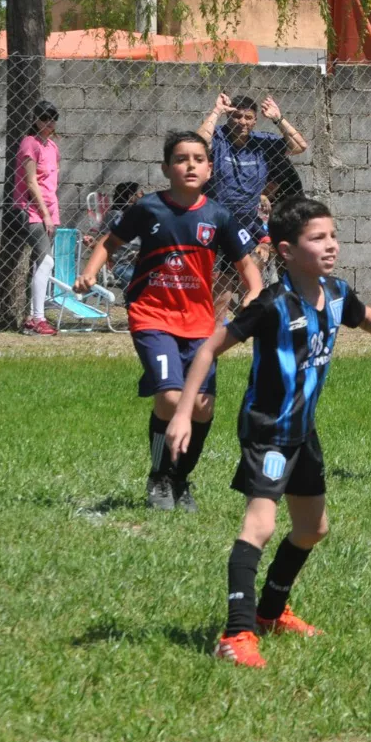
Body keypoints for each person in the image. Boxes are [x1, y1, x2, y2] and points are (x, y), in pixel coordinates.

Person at [166, 196, 371, 669]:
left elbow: (360, 313)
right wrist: (180, 414)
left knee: (313, 529)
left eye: (332, 235)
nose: (331, 244)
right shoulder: (271, 305)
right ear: (286, 251)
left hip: (303, 431)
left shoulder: (336, 292)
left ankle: (270, 613)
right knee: (261, 525)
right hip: (267, 431)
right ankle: (235, 634)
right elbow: (210, 348)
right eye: (318, 238)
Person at [77, 131, 263, 511]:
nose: (190, 165)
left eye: (198, 158)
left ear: (210, 169)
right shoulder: (149, 209)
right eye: (181, 159)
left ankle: (180, 480)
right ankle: (159, 476)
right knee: (172, 396)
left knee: (203, 406)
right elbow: (109, 242)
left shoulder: (218, 215)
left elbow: (247, 264)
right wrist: (90, 272)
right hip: (152, 316)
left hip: (199, 324)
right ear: (166, 168)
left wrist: (255, 291)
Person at [196, 92, 308, 314]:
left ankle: (242, 315)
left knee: (248, 269)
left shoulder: (262, 142)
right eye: (237, 116)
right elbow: (199, 143)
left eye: (248, 117)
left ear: (255, 120)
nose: (242, 122)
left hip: (246, 223)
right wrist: (217, 111)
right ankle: (217, 323)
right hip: (215, 219)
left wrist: (278, 118)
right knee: (219, 282)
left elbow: (299, 146)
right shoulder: (219, 138)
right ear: (230, 117)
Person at [15, 100, 61, 336]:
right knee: (46, 261)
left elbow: (51, 182)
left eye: (53, 119)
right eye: (45, 119)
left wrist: (52, 213)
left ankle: (33, 316)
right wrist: (45, 214)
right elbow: (31, 182)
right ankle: (38, 317)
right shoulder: (29, 143)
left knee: (42, 262)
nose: (49, 123)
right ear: (36, 120)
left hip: (50, 210)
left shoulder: (51, 146)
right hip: (32, 209)